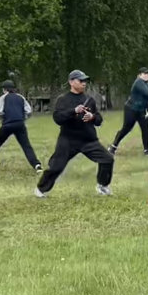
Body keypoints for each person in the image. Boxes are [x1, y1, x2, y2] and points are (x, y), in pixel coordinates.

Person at [34, 69, 115, 198]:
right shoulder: (63, 100)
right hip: (68, 140)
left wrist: (92, 116)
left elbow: (99, 121)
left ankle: (102, 185)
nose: (84, 83)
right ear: (71, 82)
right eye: (80, 80)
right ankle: (41, 189)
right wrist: (74, 111)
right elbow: (58, 118)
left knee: (107, 159)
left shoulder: (89, 100)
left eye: (85, 81)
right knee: (56, 166)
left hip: (88, 140)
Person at [0, 79, 41, 171]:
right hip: (20, 124)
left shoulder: (3, 98)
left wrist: (4, 119)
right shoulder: (20, 97)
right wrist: (21, 118)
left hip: (7, 125)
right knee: (26, 146)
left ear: (4, 89)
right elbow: (28, 111)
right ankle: (36, 165)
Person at [109, 67, 148, 155]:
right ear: (139, 75)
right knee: (126, 128)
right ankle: (113, 147)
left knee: (145, 129)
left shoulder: (147, 84)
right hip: (131, 109)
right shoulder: (138, 82)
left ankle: (146, 150)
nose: (147, 75)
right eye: (144, 74)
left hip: (142, 110)